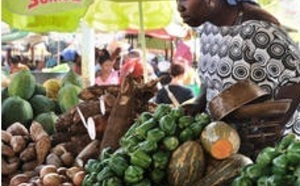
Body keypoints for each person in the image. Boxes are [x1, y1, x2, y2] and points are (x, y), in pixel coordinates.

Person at [176, 0, 300, 147]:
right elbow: (211, 81)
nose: (179, 7)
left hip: (265, 149)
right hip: (225, 141)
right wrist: (199, 102)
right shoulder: (207, 30)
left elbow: (295, 78)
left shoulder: (257, 30)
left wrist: (272, 127)